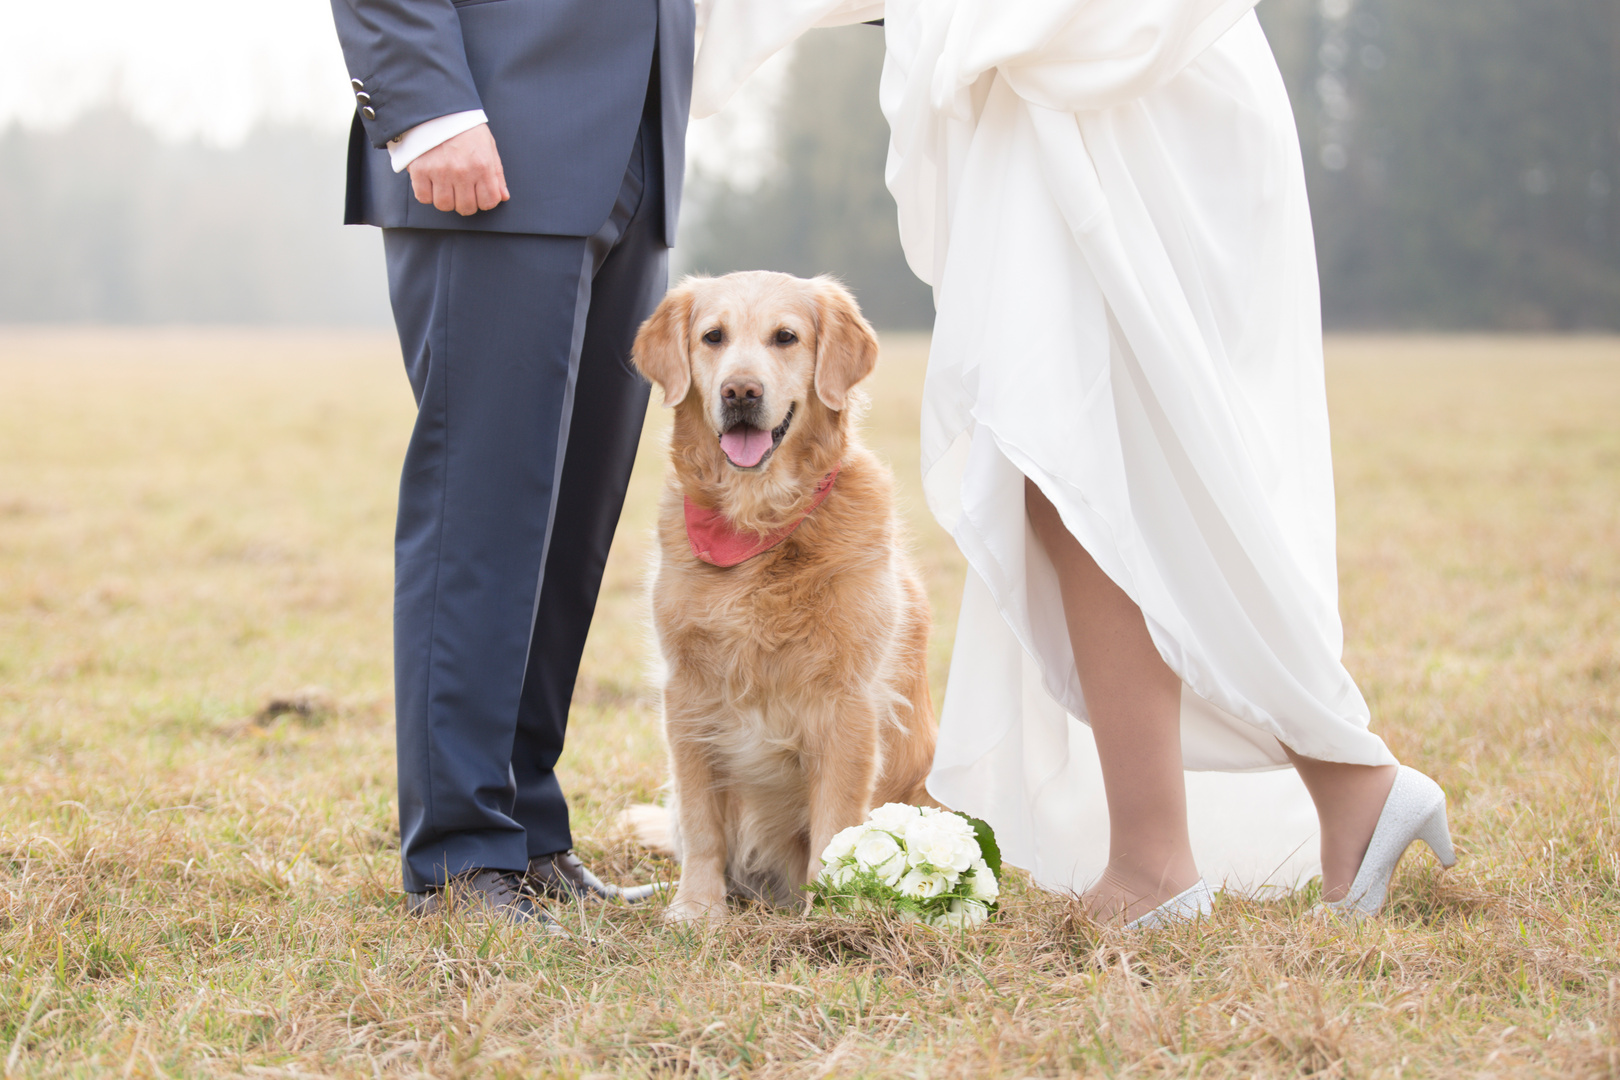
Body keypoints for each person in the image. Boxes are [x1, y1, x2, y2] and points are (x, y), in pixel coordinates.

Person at [690, 0, 1456, 924]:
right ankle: (1309, 796)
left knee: (1080, 463)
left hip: (1107, 96)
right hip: (1108, 90)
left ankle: (1191, 844)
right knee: (1092, 466)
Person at [328, 0, 694, 925]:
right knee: (483, 514)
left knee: (570, 524)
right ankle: (457, 858)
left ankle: (524, 831)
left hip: (634, 145)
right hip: (485, 134)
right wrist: (427, 106)